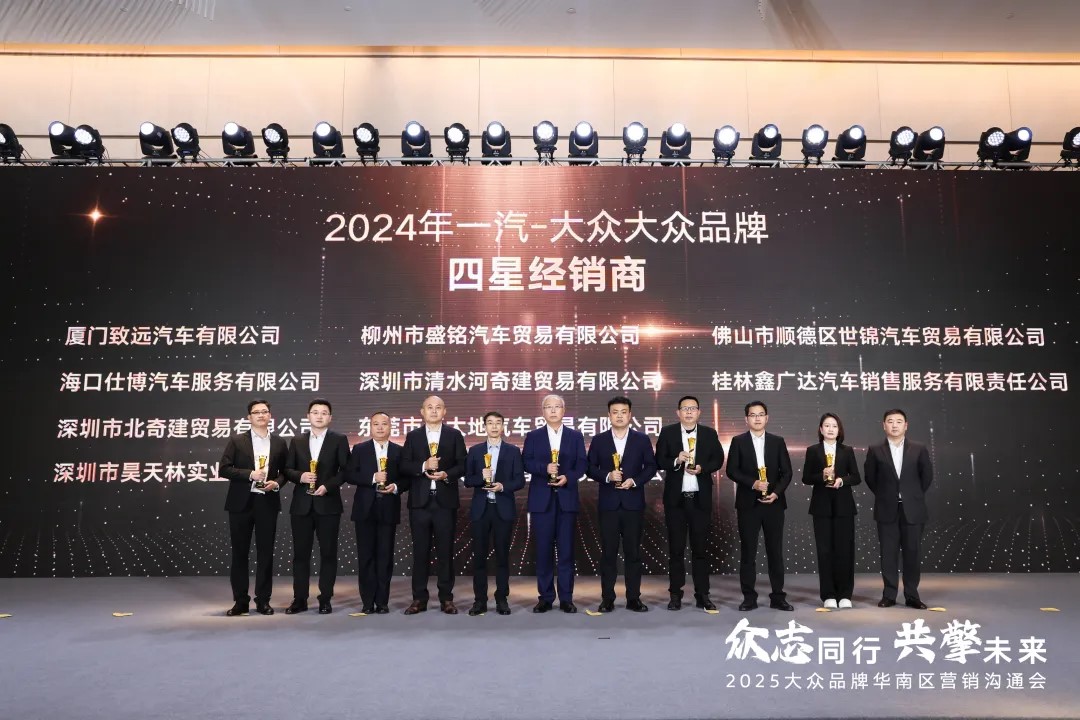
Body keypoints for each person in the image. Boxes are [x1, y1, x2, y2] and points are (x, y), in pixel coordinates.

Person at [586, 396, 658, 613]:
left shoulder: (641, 439)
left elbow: (651, 466)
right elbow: (589, 467)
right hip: (608, 504)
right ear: (609, 415)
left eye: (623, 412)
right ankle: (607, 598)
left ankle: (633, 598)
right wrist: (608, 476)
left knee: (633, 553)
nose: (619, 416)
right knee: (608, 553)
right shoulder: (599, 440)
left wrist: (634, 481)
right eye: (615, 412)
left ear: (630, 415)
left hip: (633, 503)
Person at [654, 395, 725, 611]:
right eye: (685, 408)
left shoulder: (709, 433)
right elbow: (659, 460)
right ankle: (675, 595)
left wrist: (703, 468)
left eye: (693, 408)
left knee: (700, 550)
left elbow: (718, 459)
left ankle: (702, 595)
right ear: (678, 412)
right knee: (676, 550)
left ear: (699, 412)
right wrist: (676, 460)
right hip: (676, 502)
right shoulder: (667, 432)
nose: (689, 412)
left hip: (699, 501)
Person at [218, 399, 288, 616]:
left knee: (266, 553)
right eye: (256, 412)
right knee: (239, 553)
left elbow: (286, 472)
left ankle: (263, 600)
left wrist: (276, 483)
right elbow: (224, 469)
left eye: (264, 411)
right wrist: (250, 474)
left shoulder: (279, 443)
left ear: (270, 416)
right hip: (241, 504)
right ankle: (240, 602)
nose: (261, 415)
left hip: (267, 502)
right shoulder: (237, 440)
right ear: (249, 417)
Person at [400, 395, 467, 615]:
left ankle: (446, 598)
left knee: (445, 552)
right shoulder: (413, 436)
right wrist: (423, 465)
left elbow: (463, 465)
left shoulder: (454, 435)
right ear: (422, 412)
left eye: (438, 407)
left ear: (444, 411)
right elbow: (404, 465)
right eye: (430, 407)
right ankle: (419, 599)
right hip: (420, 503)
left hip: (445, 503)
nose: (434, 411)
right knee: (420, 552)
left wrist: (447, 474)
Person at [282, 398, 350, 615]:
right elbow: (287, 469)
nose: (319, 416)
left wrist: (327, 486)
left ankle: (325, 599)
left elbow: (346, 470)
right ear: (308, 416)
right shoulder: (297, 441)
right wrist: (300, 476)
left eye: (324, 413)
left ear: (330, 417)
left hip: (328, 505)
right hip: (301, 505)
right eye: (315, 412)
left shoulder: (339, 439)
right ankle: (299, 599)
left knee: (328, 554)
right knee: (300, 555)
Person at [726, 400, 793, 611]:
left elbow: (787, 472)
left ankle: (778, 597)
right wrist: (753, 483)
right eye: (753, 415)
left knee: (775, 552)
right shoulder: (738, 441)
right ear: (746, 419)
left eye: (761, 414)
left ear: (767, 418)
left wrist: (776, 493)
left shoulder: (777, 441)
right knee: (748, 552)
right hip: (748, 504)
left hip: (774, 504)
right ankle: (749, 597)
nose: (757, 418)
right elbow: (731, 470)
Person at [522, 394, 586, 613]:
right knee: (543, 552)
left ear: (563, 410)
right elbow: (526, 462)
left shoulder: (575, 436)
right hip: (542, 502)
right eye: (548, 407)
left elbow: (582, 464)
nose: (552, 410)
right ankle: (546, 597)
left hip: (567, 499)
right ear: (543, 411)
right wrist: (544, 469)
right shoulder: (533, 436)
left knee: (566, 551)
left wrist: (568, 476)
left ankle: (566, 598)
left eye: (556, 406)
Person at [864, 408, 934, 610]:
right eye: (890, 421)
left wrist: (911, 495)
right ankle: (889, 595)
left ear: (906, 425)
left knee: (913, 553)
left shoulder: (919, 448)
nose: (894, 425)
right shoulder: (875, 449)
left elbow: (926, 477)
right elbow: (870, 478)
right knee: (888, 554)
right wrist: (887, 495)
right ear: (884, 425)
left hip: (913, 509)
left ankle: (912, 595)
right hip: (887, 509)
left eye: (899, 421)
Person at [463, 411, 525, 616]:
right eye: (490, 423)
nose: (494, 426)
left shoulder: (513, 451)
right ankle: (479, 600)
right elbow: (468, 480)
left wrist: (502, 486)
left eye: (498, 423)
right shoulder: (475, 451)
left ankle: (502, 599)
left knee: (502, 557)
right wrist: (482, 478)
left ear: (503, 426)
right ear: (484, 427)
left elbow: (520, 480)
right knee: (479, 557)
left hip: (503, 509)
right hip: (481, 510)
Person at [801, 412, 861, 609]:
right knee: (825, 551)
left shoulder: (847, 450)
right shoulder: (813, 450)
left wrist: (841, 480)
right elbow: (806, 478)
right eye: (827, 425)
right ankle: (828, 595)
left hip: (844, 507)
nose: (830, 429)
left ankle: (845, 595)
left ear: (839, 430)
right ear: (821, 429)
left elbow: (856, 477)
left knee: (845, 550)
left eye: (834, 426)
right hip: (822, 507)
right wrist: (822, 475)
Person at [344, 411, 402, 614]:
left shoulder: (398, 451)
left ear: (390, 427)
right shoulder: (360, 449)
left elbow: (406, 478)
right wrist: (372, 478)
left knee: (385, 556)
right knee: (366, 556)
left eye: (384, 424)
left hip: (388, 508)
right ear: (370, 427)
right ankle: (367, 602)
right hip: (365, 509)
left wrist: (395, 486)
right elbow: (350, 475)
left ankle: (382, 602)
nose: (380, 427)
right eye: (376, 424)